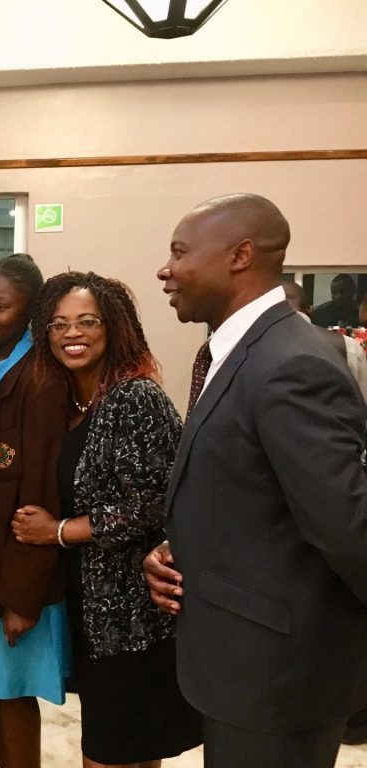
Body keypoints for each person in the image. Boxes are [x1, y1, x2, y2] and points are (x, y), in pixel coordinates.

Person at [144, 193, 367, 768]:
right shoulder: (240, 349)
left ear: (239, 256)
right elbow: (255, 491)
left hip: (278, 676)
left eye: (179, 252)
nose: (166, 270)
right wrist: (180, 544)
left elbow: (347, 527)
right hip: (240, 663)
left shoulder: (290, 362)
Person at [11, 272, 202, 768]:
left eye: (87, 321)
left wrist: (57, 532)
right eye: (58, 324)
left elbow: (153, 503)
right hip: (94, 607)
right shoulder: (70, 400)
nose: (71, 334)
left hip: (133, 614)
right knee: (133, 747)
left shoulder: (134, 397)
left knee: (109, 751)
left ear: (113, 327)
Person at [0, 254, 69, 768]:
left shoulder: (40, 379)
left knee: (9, 692)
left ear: (31, 312)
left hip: (12, 567)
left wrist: (23, 597)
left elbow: (42, 490)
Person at [282, 281, 367, 400]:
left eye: (342, 291)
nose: (338, 296)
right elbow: (362, 402)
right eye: (334, 292)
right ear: (310, 310)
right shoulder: (348, 347)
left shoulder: (258, 343)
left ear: (353, 291)